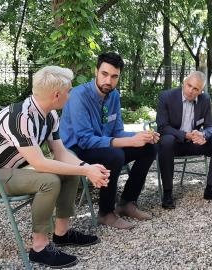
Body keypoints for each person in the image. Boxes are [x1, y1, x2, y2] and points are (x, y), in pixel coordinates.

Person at [0, 66, 110, 268]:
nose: (71, 94)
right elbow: (39, 163)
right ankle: (39, 248)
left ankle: (62, 233)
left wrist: (87, 166)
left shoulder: (49, 115)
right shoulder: (20, 117)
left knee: (67, 169)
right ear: (57, 95)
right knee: (48, 181)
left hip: (13, 170)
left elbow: (62, 153)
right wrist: (85, 171)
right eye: (69, 91)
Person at [60, 52, 159, 230]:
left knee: (149, 148)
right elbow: (85, 140)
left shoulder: (113, 96)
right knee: (114, 155)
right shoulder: (78, 96)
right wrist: (129, 142)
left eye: (114, 77)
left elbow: (118, 131)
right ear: (96, 71)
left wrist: (142, 137)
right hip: (76, 150)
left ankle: (127, 202)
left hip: (102, 144)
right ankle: (105, 213)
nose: (109, 81)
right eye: (104, 74)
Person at [156, 71, 212, 209]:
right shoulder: (166, 96)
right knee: (166, 140)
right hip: (173, 144)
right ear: (184, 83)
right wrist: (185, 135)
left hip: (194, 143)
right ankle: (168, 193)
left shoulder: (204, 100)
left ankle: (210, 188)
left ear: (200, 91)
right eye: (189, 85)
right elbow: (162, 127)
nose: (191, 91)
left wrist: (203, 135)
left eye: (196, 89)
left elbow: (211, 127)